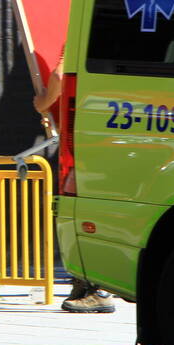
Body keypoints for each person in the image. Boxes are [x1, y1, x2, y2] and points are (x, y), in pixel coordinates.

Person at [32, 53, 115, 314]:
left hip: (86, 133)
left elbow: (59, 75)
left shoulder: (81, 30)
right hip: (115, 130)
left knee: (82, 209)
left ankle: (96, 288)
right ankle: (84, 284)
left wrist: (43, 103)